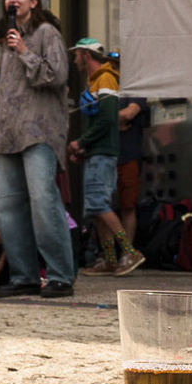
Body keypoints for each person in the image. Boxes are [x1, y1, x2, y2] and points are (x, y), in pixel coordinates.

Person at [0, 0, 76, 299]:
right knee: (8, 206)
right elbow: (3, 91)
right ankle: (24, 275)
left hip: (38, 131)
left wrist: (25, 51)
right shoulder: (7, 43)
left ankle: (60, 275)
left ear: (34, 2)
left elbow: (57, 76)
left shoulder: (46, 34)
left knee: (43, 201)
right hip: (6, 134)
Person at [67, 39, 143, 276]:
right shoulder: (95, 82)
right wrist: (85, 148)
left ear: (86, 55)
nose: (75, 60)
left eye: (77, 55)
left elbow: (108, 118)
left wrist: (81, 141)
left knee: (100, 204)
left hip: (103, 152)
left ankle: (129, 251)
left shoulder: (106, 79)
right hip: (96, 152)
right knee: (97, 208)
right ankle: (110, 259)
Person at [117, 87, 149, 248]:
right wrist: (115, 122)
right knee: (101, 208)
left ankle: (126, 253)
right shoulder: (103, 85)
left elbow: (130, 113)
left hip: (128, 155)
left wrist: (105, 122)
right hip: (105, 155)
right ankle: (107, 256)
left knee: (127, 206)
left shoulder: (135, 89)